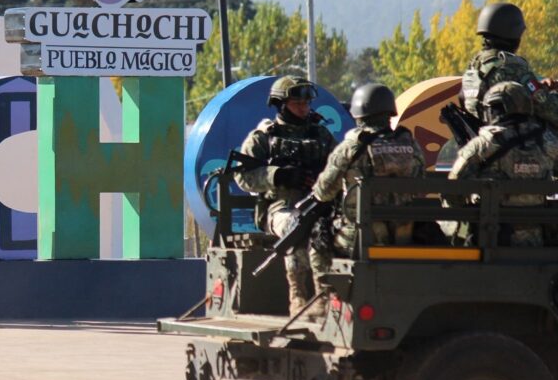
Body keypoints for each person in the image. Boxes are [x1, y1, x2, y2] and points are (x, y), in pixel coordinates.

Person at [309, 84, 425, 313]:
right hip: (403, 231)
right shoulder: (409, 143)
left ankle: (324, 301)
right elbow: (420, 182)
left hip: (361, 235)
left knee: (316, 242)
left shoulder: (352, 146)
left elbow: (324, 191)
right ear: (389, 113)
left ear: (359, 114)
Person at [237, 76, 336, 314]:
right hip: (279, 209)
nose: (304, 108)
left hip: (319, 204)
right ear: (281, 105)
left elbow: (339, 164)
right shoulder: (263, 138)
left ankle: (326, 296)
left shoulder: (321, 135)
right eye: (297, 103)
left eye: (306, 103)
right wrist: (279, 175)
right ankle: (298, 297)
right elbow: (243, 178)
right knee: (297, 225)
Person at [449, 82, 558, 247]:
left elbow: (454, 185)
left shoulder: (484, 143)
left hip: (492, 237)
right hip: (539, 238)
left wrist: (468, 211)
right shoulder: (548, 140)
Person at [460, 2, 558, 128]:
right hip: (518, 141)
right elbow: (550, 110)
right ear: (513, 33)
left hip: (489, 137)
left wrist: (541, 88)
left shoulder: (475, 66)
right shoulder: (510, 67)